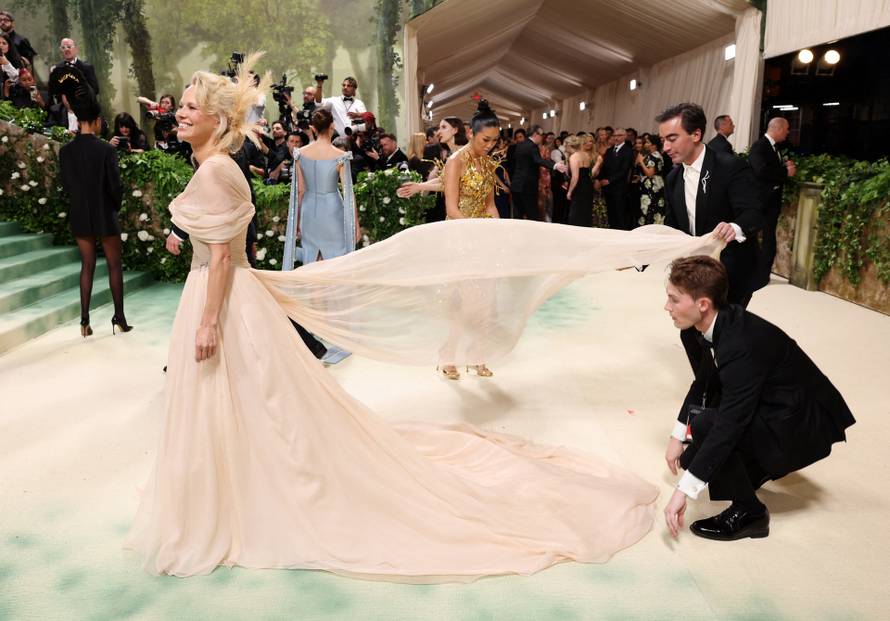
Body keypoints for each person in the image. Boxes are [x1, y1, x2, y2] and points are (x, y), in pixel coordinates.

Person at [128, 59, 698, 579]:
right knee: (247, 399)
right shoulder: (218, 167)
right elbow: (220, 245)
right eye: (178, 107)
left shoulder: (215, 170)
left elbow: (226, 256)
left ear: (217, 120)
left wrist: (206, 320)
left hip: (221, 300)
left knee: (251, 398)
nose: (176, 115)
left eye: (188, 108)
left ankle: (239, 493)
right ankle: (239, 485)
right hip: (224, 295)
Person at [662, 256, 854, 541]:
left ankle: (750, 513)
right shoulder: (711, 324)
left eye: (674, 300)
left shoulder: (740, 344)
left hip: (799, 424)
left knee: (707, 427)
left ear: (702, 304)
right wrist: (677, 436)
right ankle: (754, 469)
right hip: (775, 404)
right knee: (695, 456)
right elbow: (704, 381)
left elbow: (730, 422)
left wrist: (684, 490)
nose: (667, 307)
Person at [657, 102, 763, 308]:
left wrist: (734, 227)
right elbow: (672, 225)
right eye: (663, 140)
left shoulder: (731, 166)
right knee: (692, 336)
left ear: (696, 135)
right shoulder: (672, 178)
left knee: (722, 333)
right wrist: (639, 256)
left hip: (732, 272)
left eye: (672, 139)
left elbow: (754, 213)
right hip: (694, 274)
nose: (665, 148)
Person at [58, 83, 132, 337]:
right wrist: (115, 206)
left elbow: (66, 185)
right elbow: (115, 186)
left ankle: (84, 321)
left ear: (79, 121)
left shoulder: (66, 151)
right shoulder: (106, 150)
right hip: (105, 212)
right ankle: (119, 317)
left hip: (80, 212)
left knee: (87, 265)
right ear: (97, 121)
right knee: (114, 265)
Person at [748, 117, 796, 288]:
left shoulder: (775, 148)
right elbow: (760, 171)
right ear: (778, 128)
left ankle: (763, 275)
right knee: (753, 237)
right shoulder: (759, 146)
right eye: (787, 128)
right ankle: (756, 274)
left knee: (769, 239)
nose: (788, 132)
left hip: (771, 202)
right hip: (761, 202)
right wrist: (785, 172)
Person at [510, 125, 567, 220]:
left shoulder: (520, 145)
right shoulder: (532, 146)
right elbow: (538, 160)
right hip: (527, 186)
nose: (542, 138)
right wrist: (555, 165)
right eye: (541, 135)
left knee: (518, 216)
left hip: (516, 185)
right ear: (536, 134)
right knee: (532, 215)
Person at [596, 127, 634, 230]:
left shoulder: (629, 151)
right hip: (607, 188)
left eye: (619, 136)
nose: (616, 138)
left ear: (625, 137)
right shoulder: (609, 151)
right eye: (615, 136)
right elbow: (604, 168)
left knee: (620, 214)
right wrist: (599, 179)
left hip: (619, 188)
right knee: (610, 213)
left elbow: (624, 170)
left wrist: (609, 180)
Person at [565, 135, 596, 227]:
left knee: (576, 213)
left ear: (569, 145)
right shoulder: (585, 154)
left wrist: (569, 192)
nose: (564, 147)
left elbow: (575, 177)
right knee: (585, 212)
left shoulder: (574, 157)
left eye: (565, 144)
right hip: (588, 185)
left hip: (579, 187)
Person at [636, 134, 666, 226]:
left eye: (648, 142)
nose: (646, 144)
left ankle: (648, 228)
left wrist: (641, 161)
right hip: (657, 184)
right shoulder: (657, 155)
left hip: (652, 187)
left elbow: (650, 173)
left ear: (654, 145)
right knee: (655, 208)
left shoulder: (653, 156)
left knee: (649, 208)